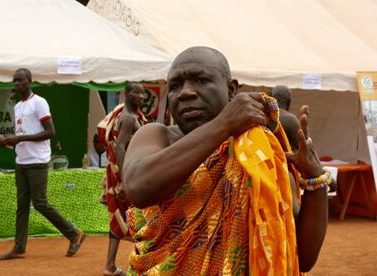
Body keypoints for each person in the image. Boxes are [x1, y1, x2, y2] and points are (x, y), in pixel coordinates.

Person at [122, 47, 328, 275]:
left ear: (231, 89)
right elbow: (137, 187)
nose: (185, 93)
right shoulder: (156, 135)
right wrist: (224, 124)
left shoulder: (257, 156)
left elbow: (302, 256)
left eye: (201, 80)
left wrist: (315, 180)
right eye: (175, 86)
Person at [0, 68, 85, 260]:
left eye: (20, 80)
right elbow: (23, 135)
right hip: (21, 161)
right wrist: (8, 141)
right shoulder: (18, 106)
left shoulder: (39, 103)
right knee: (22, 206)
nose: (16, 84)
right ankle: (19, 248)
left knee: (40, 204)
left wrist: (19, 138)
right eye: (14, 81)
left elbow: (50, 132)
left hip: (37, 162)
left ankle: (73, 234)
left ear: (29, 81)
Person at [97, 82, 146, 276]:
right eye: (137, 93)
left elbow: (102, 134)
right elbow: (119, 147)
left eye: (143, 93)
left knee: (119, 218)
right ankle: (141, 263)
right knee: (140, 217)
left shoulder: (120, 113)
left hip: (119, 172)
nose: (142, 97)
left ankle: (110, 265)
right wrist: (127, 177)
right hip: (125, 174)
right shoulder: (127, 117)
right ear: (126, 94)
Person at [272, 85, 300, 151]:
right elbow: (302, 147)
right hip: (284, 160)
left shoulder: (263, 116)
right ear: (288, 101)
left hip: (265, 160)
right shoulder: (291, 120)